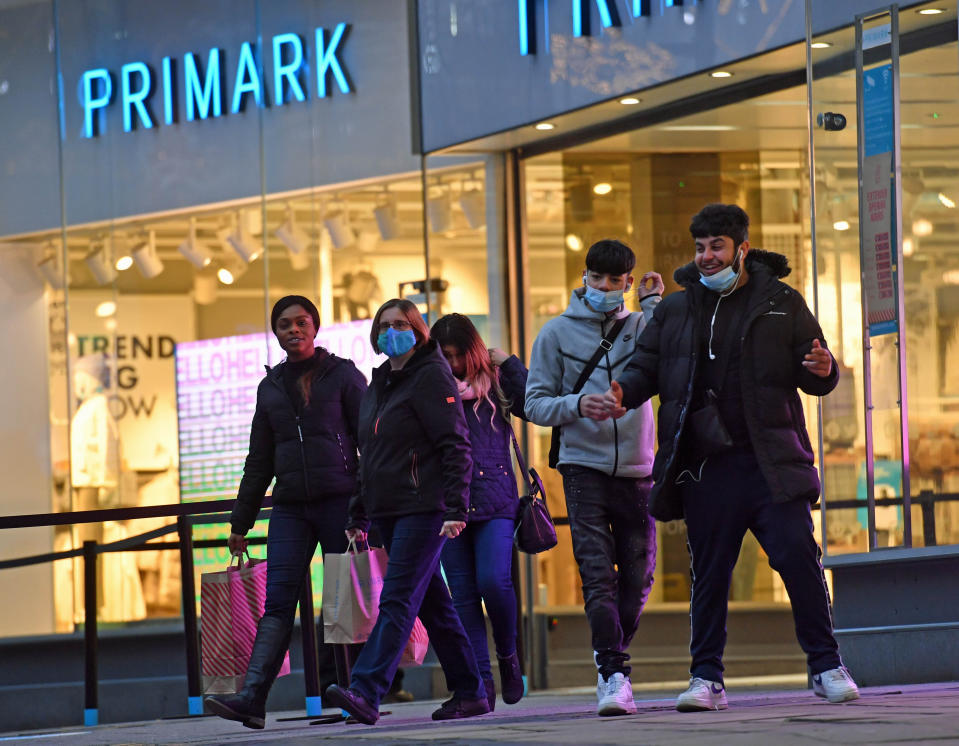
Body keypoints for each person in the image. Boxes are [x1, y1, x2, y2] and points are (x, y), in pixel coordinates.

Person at [592, 203, 860, 711]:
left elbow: (816, 368)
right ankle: (706, 678)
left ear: (742, 248)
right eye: (700, 248)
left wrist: (824, 368)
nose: (707, 256)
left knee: (800, 560)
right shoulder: (676, 309)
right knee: (709, 574)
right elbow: (646, 366)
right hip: (705, 465)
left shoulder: (781, 301)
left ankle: (826, 665)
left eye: (717, 246)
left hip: (769, 463)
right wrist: (622, 393)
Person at [324, 299, 491, 725]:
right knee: (435, 604)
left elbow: (456, 445)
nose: (392, 331)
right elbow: (371, 452)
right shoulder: (381, 382)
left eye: (401, 323)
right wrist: (359, 512)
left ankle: (366, 689)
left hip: (425, 508)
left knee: (397, 599)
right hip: (389, 510)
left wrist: (457, 506)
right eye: (385, 324)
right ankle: (471, 692)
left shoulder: (431, 376)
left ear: (418, 330)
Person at [205, 295, 367, 730]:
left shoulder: (343, 376)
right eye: (284, 325)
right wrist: (241, 522)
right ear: (276, 333)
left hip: (341, 504)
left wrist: (363, 510)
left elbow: (371, 443)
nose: (293, 330)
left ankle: (356, 694)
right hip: (291, 508)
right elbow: (259, 460)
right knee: (277, 605)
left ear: (315, 327)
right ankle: (252, 699)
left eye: (301, 322)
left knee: (344, 603)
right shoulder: (271, 386)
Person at [525, 239, 662, 717]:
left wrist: (655, 308)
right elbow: (535, 402)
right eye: (597, 278)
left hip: (639, 470)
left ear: (629, 282)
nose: (604, 288)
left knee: (640, 576)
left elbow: (673, 362)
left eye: (615, 281)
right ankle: (613, 672)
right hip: (582, 469)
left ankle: (611, 657)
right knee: (597, 573)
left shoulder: (643, 325)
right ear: (584, 277)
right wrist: (579, 404)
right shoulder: (555, 333)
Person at [431, 313, 528, 711]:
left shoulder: (495, 381)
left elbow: (529, 403)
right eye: (445, 355)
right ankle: (481, 684)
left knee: (493, 581)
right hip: (447, 504)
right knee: (463, 599)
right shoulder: (429, 386)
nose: (453, 364)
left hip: (495, 500)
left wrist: (510, 363)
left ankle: (508, 655)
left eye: (459, 355)